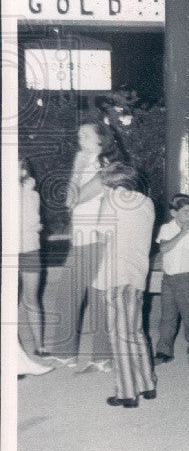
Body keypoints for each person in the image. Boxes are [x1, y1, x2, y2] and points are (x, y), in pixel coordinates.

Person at [40, 120, 126, 371]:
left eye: (86, 134)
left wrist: (77, 167)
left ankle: (101, 357)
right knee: (71, 294)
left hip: (97, 240)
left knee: (89, 296)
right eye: (79, 134)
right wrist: (78, 167)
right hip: (82, 238)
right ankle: (74, 353)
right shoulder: (88, 163)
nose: (80, 138)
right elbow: (70, 199)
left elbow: (75, 198)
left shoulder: (107, 166)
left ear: (101, 139)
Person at [92, 163, 156, 408]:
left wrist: (102, 204)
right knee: (136, 331)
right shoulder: (147, 203)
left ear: (112, 184)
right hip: (138, 273)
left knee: (119, 335)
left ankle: (127, 392)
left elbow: (102, 237)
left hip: (115, 273)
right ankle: (147, 384)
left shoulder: (112, 201)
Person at [154, 194, 189, 365]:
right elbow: (164, 248)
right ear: (173, 212)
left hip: (187, 278)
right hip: (168, 278)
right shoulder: (166, 229)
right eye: (185, 211)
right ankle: (164, 351)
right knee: (167, 316)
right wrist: (181, 233)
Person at [18, 159, 45, 355]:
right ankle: (13, 349)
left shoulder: (31, 195)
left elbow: (33, 223)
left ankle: (40, 345)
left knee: (31, 298)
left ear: (23, 171)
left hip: (29, 250)